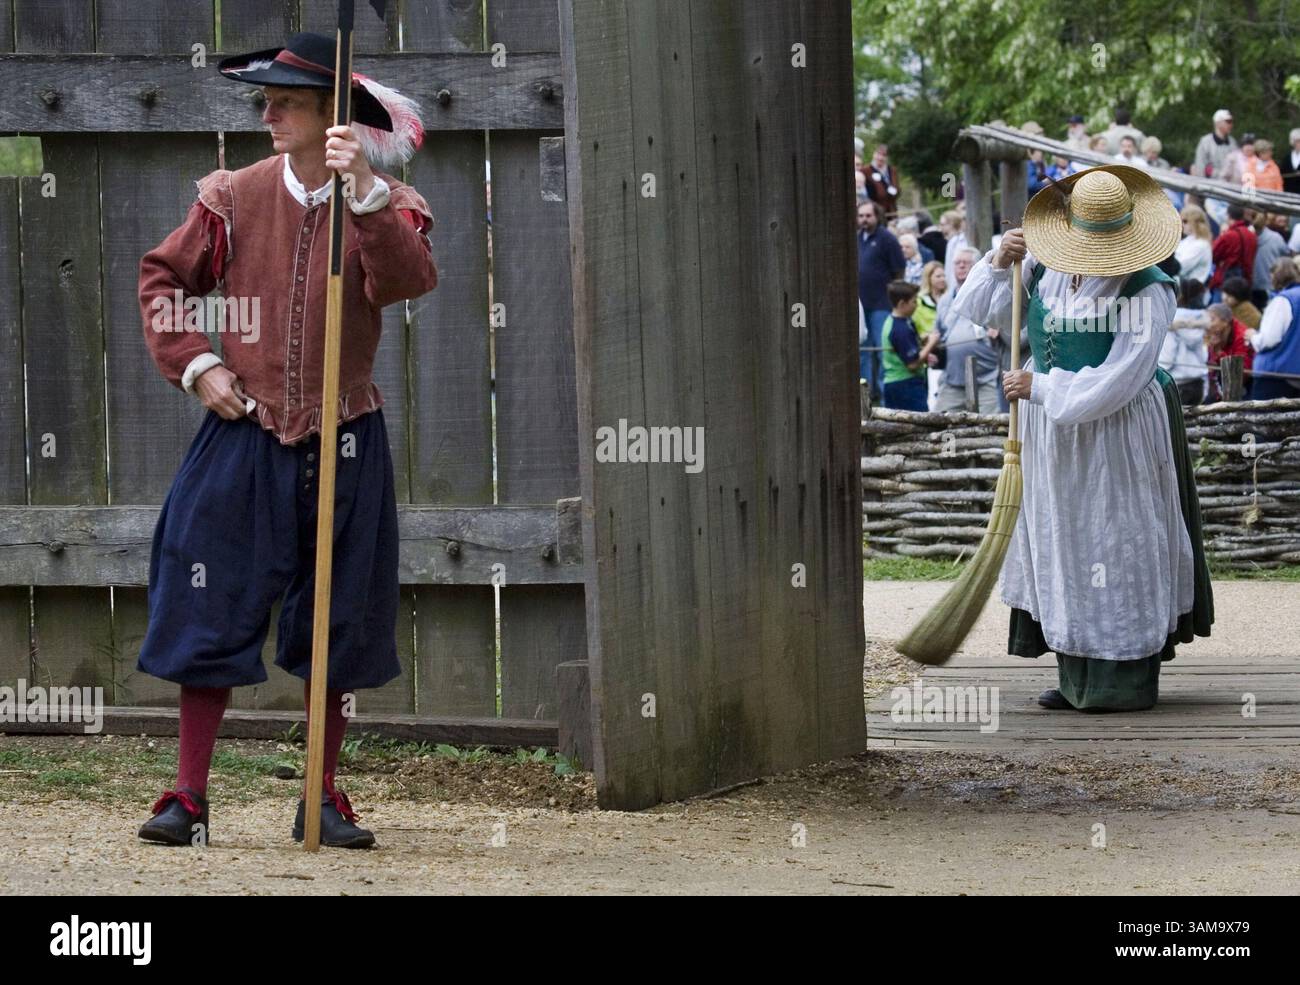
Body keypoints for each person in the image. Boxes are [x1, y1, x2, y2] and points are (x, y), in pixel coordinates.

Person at [134, 32, 439, 849]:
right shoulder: (233, 196)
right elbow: (161, 279)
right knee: (207, 599)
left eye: (288, 103)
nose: (268, 114)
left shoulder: (390, 204)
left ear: (332, 116)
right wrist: (199, 365)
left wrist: (366, 190)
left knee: (338, 622)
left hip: (345, 439)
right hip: (244, 436)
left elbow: (406, 281)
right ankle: (188, 798)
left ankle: (321, 796)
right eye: (265, 102)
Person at [953, 164, 1213, 712]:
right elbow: (988, 314)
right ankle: (1075, 674)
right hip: (1054, 432)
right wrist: (1001, 261)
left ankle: (1120, 679)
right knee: (1064, 537)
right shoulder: (1048, 269)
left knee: (1115, 540)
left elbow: (1122, 377)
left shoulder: (1148, 290)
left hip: (1115, 431)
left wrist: (1039, 386)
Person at [936, 247, 1005, 413]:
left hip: (986, 379)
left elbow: (1006, 324)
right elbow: (939, 332)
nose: (961, 266)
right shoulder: (945, 299)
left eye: (966, 263)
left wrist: (999, 330)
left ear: (976, 267)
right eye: (957, 263)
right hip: (952, 379)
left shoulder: (991, 293)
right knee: (939, 424)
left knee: (991, 428)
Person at [858, 199, 905, 398]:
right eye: (860, 216)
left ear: (877, 216)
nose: (864, 220)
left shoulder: (887, 239)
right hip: (860, 306)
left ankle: (886, 399)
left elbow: (899, 270)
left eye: (868, 215)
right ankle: (865, 397)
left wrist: (892, 296)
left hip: (881, 304)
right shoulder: (857, 238)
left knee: (882, 350)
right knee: (863, 352)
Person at [881, 281, 940, 410]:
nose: (917, 305)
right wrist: (931, 343)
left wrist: (922, 342)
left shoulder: (896, 321)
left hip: (897, 385)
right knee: (920, 427)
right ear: (902, 304)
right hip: (905, 385)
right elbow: (912, 364)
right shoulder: (900, 329)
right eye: (914, 301)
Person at [1249, 257, 1300, 399]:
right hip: (1295, 374)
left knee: (1262, 419)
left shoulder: (1283, 300)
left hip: (1276, 376)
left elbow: (1268, 340)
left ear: (1275, 276)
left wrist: (1252, 336)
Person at [1161, 278, 1209, 405]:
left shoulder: (1169, 320)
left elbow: (1168, 355)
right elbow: (1204, 353)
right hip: (1197, 380)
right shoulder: (1203, 318)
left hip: (1176, 381)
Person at [1203, 302, 1254, 401]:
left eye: (1212, 319)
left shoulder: (1241, 336)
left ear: (1225, 321)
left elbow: (1241, 372)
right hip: (1218, 382)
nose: (1208, 324)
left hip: (1241, 386)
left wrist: (1218, 352)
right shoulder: (1214, 331)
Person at [917, 260, 947, 406]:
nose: (942, 279)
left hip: (947, 349)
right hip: (928, 350)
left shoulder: (950, 299)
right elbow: (915, 329)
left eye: (943, 276)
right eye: (938, 276)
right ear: (929, 278)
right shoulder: (918, 302)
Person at [1209, 205, 1257, 293]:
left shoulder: (1228, 235)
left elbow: (1212, 255)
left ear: (1228, 215)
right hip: (1245, 281)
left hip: (1225, 282)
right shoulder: (1252, 235)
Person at [1251, 210, 1289, 309]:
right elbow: (1286, 258)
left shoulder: (1245, 236)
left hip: (1250, 285)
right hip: (1271, 286)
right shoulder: (1276, 238)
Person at [1175, 204, 1214, 288]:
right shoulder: (1189, 240)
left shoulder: (1201, 244)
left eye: (1185, 221)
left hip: (1191, 293)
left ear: (1194, 222)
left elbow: (1180, 268)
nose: (1182, 224)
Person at [864, 143, 900, 219]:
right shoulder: (865, 171)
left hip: (891, 212)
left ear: (887, 157)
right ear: (874, 154)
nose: (880, 158)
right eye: (878, 154)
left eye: (884, 155)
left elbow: (897, 188)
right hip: (875, 213)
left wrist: (896, 191)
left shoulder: (892, 170)